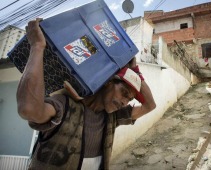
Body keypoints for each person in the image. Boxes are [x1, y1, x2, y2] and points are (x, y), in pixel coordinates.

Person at [17, 18, 156, 170]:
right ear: (109, 82)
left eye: (129, 99)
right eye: (124, 93)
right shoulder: (65, 105)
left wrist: (135, 72)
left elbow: (150, 105)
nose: (124, 102)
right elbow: (29, 109)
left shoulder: (111, 117)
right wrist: (37, 46)